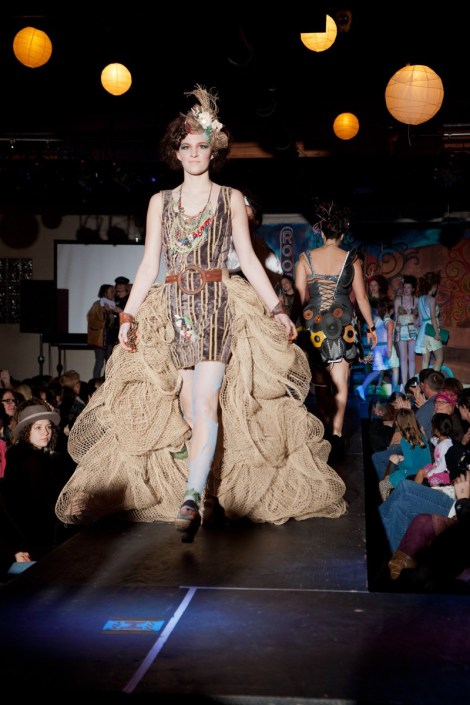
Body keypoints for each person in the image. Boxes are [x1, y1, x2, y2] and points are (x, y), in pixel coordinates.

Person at [55, 86, 348, 543]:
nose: (194, 153)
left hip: (216, 305)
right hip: (171, 308)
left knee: (207, 401)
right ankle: (205, 490)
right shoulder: (160, 202)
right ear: (176, 152)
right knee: (190, 409)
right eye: (186, 146)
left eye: (201, 145)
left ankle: (191, 496)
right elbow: (149, 265)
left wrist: (275, 308)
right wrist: (128, 317)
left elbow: (248, 259)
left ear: (214, 150)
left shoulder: (230, 198)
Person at [295, 201, 378, 452]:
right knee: (341, 381)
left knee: (321, 381)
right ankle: (337, 433)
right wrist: (372, 328)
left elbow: (298, 298)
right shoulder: (352, 259)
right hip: (343, 325)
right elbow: (361, 298)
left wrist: (292, 326)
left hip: (314, 324)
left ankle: (324, 426)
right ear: (342, 234)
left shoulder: (305, 258)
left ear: (321, 232)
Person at [1, 399, 70, 559]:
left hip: (40, 537)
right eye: (38, 427)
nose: (45, 432)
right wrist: (64, 509)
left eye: (48, 426)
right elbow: (35, 506)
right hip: (34, 541)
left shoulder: (40, 454)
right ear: (26, 430)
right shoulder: (27, 459)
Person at [355, 297, 399, 401]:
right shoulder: (389, 322)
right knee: (395, 368)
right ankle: (394, 393)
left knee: (377, 371)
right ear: (391, 310)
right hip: (386, 346)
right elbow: (389, 336)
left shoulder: (376, 319)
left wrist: (371, 339)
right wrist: (389, 350)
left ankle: (363, 387)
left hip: (377, 348)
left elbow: (369, 327)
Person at [87, 284, 122, 378]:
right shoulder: (97, 305)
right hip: (100, 340)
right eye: (111, 291)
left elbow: (113, 323)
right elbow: (92, 321)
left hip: (110, 339)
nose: (114, 293)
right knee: (100, 361)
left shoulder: (113, 305)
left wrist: (111, 314)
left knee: (110, 362)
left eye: (114, 292)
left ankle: (107, 381)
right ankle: (95, 382)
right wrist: (106, 319)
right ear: (105, 293)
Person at [415, 271, 444, 372]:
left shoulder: (420, 300)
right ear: (433, 285)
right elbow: (433, 317)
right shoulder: (432, 299)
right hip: (431, 330)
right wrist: (437, 333)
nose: (437, 287)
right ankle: (434, 380)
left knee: (425, 360)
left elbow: (419, 320)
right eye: (436, 285)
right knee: (439, 359)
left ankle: (423, 380)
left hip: (423, 331)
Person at [394, 274, 419, 387]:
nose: (406, 290)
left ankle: (412, 384)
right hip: (401, 330)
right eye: (405, 287)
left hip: (413, 330)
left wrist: (417, 323)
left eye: (409, 287)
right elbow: (396, 317)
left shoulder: (416, 300)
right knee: (403, 358)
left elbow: (419, 317)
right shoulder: (398, 300)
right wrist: (395, 331)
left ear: (413, 289)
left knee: (412, 358)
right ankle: (404, 385)